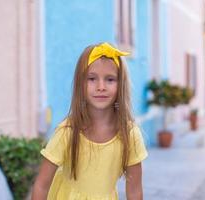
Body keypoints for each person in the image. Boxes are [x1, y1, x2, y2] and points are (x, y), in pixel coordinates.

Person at [31, 42, 148, 200]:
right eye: (92, 79)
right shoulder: (68, 131)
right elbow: (41, 185)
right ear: (81, 84)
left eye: (110, 79)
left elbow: (134, 191)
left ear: (121, 85)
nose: (101, 87)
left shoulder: (130, 134)